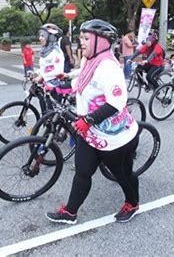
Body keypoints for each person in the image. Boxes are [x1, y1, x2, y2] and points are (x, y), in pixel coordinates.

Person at [46, 19, 140, 224]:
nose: (82, 42)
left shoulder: (109, 67)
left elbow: (117, 102)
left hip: (115, 137)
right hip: (90, 132)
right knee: (83, 171)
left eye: (86, 38)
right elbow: (82, 81)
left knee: (122, 175)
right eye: (81, 38)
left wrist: (88, 119)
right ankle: (70, 212)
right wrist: (58, 84)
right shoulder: (90, 61)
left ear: (102, 41)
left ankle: (132, 203)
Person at [33, 23, 65, 114]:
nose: (40, 38)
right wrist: (36, 73)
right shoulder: (45, 50)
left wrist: (42, 76)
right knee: (44, 114)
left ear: (51, 37)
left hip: (54, 89)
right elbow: (46, 68)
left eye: (43, 36)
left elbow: (59, 71)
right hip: (45, 87)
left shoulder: (56, 52)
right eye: (40, 35)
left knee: (52, 116)